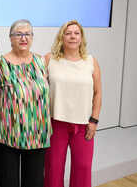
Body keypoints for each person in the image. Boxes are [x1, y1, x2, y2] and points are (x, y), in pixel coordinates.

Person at [0, 19, 52, 187]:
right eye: (19, 34)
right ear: (10, 38)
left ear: (32, 37)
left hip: (38, 133)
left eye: (27, 34)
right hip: (9, 132)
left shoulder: (41, 62)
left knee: (34, 181)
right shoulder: (0, 64)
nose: (23, 38)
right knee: (7, 181)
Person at [44, 20, 102, 187]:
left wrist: (94, 120)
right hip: (55, 124)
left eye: (76, 33)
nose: (72, 36)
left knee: (83, 168)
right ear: (62, 37)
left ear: (81, 37)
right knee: (53, 169)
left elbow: (98, 93)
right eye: (68, 33)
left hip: (84, 125)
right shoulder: (49, 59)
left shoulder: (91, 61)